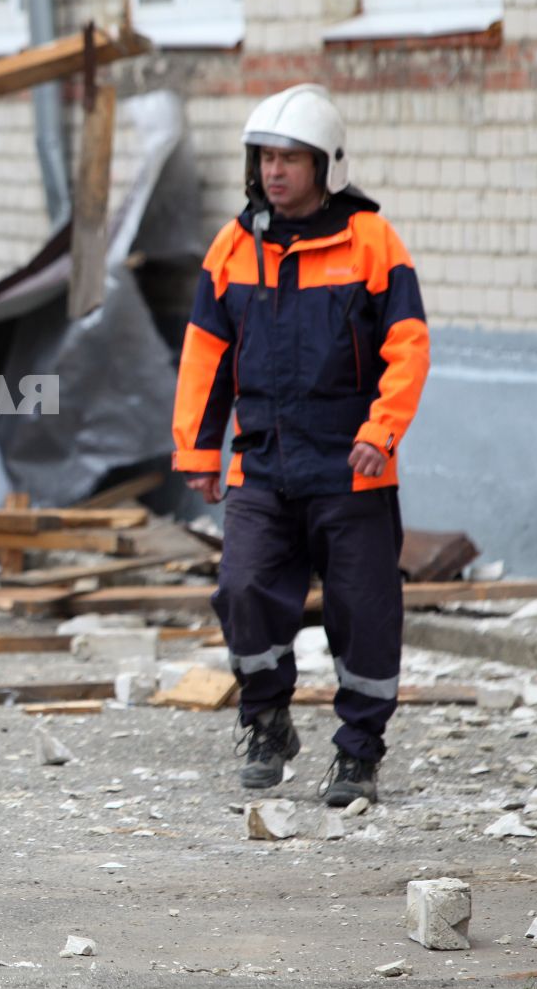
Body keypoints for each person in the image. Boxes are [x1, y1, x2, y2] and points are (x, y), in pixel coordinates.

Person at [171, 84, 429, 807]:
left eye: (291, 159)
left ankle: (358, 754)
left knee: (364, 612)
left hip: (353, 470)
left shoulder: (373, 243)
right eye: (266, 159)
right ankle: (267, 720)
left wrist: (382, 434)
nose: (276, 172)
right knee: (242, 589)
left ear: (326, 166)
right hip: (264, 465)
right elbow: (205, 356)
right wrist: (198, 451)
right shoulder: (232, 246)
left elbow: (407, 350)